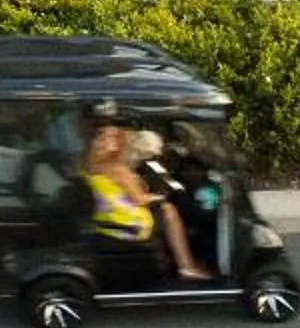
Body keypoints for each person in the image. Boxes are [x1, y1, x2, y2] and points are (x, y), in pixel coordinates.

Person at [85, 119, 209, 280]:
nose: (111, 142)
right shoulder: (117, 169)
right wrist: (160, 196)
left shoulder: (90, 166)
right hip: (128, 223)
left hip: (105, 218)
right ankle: (186, 266)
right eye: (108, 138)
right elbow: (139, 199)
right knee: (169, 210)